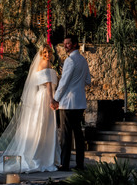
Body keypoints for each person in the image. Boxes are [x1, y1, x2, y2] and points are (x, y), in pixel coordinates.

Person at [0, 44, 60, 174]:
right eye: (45, 52)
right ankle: (41, 157)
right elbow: (48, 85)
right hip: (45, 98)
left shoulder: (44, 65)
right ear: (41, 54)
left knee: (42, 127)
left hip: (42, 97)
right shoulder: (45, 64)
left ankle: (41, 156)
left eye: (49, 52)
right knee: (43, 126)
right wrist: (51, 100)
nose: (47, 54)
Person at [51, 35, 91, 171]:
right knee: (78, 135)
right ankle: (80, 164)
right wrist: (78, 85)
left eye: (68, 43)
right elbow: (88, 81)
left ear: (75, 44)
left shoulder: (70, 61)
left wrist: (55, 99)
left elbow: (64, 82)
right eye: (64, 43)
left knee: (66, 135)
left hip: (68, 103)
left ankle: (64, 164)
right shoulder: (83, 60)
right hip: (80, 102)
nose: (65, 46)